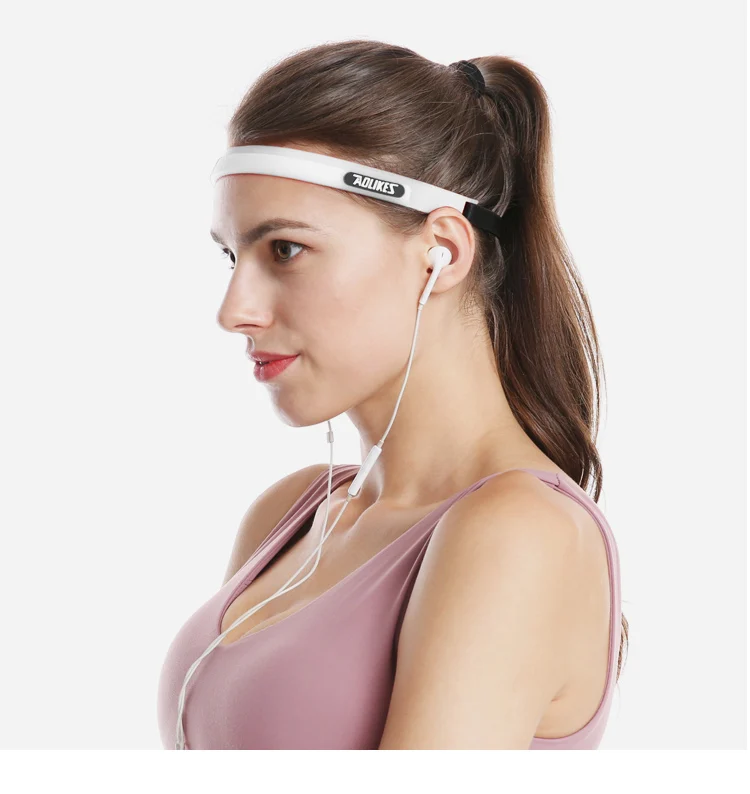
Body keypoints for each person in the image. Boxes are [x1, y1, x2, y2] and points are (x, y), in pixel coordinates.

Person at [157, 39, 627, 750]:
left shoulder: (520, 533)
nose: (235, 311)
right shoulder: (291, 514)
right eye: (232, 256)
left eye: (285, 249)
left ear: (443, 252)